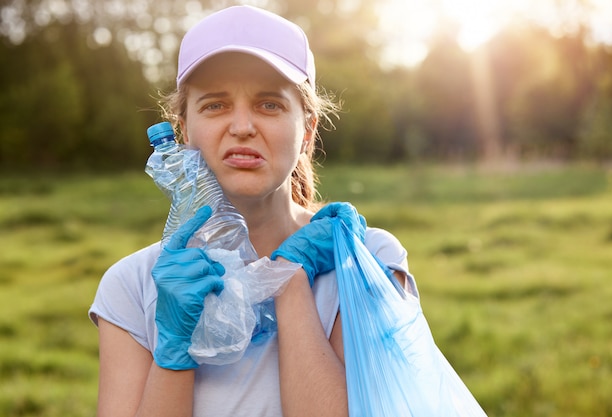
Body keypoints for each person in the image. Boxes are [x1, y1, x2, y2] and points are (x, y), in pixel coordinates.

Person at [88, 5, 417, 417]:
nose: (242, 126)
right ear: (183, 130)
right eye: (215, 105)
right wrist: (174, 346)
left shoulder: (363, 259)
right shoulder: (133, 286)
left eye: (269, 105)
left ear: (307, 132)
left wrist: (289, 279)